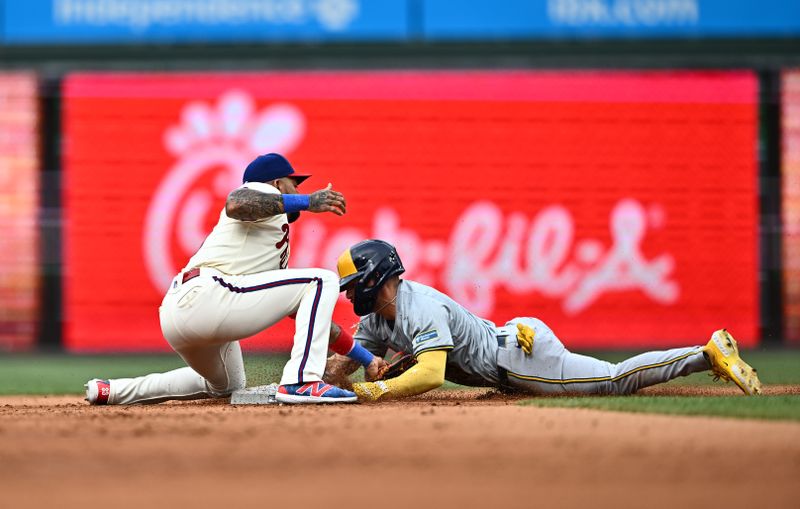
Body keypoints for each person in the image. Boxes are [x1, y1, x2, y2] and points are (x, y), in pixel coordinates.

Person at [85, 153, 386, 405]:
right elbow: (237, 202)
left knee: (226, 384)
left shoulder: (269, 234)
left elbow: (309, 314)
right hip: (207, 297)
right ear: (277, 183)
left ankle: (113, 391)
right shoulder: (263, 195)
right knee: (322, 280)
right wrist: (308, 201)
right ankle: (301, 381)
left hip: (180, 314)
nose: (298, 188)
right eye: (295, 183)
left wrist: (365, 358)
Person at [324, 239, 762, 402]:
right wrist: (324, 376)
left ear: (376, 277)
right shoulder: (379, 320)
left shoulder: (420, 305)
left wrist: (376, 387)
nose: (349, 293)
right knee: (611, 379)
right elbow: (348, 363)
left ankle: (705, 353)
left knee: (614, 380)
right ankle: (704, 354)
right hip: (508, 342)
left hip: (518, 356)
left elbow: (433, 374)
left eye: (353, 284)